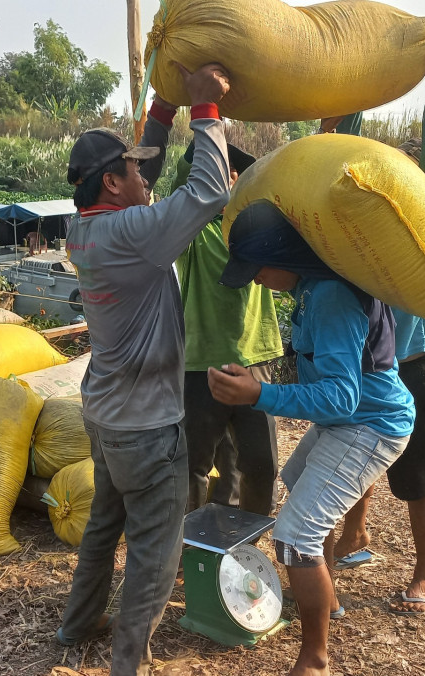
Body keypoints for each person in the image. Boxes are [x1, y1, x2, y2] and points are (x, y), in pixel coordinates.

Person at [54, 62, 233, 676]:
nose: (144, 178)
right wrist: (205, 109)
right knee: (154, 555)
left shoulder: (85, 229)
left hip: (106, 417)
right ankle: (128, 664)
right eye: (132, 170)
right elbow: (208, 193)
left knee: (104, 526)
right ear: (111, 183)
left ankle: (75, 626)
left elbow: (143, 182)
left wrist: (161, 112)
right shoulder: (133, 235)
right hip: (146, 428)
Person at [208, 200, 415, 676]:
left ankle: (314, 659)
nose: (257, 281)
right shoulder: (312, 288)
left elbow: (340, 398)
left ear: (285, 258)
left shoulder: (331, 298)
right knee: (297, 482)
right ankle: (329, 602)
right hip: (351, 419)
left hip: (370, 425)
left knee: (296, 538)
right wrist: (257, 387)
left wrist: (257, 393)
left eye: (258, 270)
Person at [328, 24, 425, 617]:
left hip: (411, 362)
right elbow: (338, 151)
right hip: (358, 358)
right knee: (350, 453)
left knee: (413, 472)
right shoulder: (352, 228)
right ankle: (358, 535)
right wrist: (362, 81)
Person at [173, 142, 283, 517]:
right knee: (192, 466)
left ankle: (241, 544)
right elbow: (178, 186)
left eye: (233, 177)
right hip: (201, 363)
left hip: (256, 357)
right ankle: (188, 547)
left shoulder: (259, 230)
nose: (227, 185)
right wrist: (203, 139)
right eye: (218, 176)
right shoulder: (193, 234)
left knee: (259, 465)